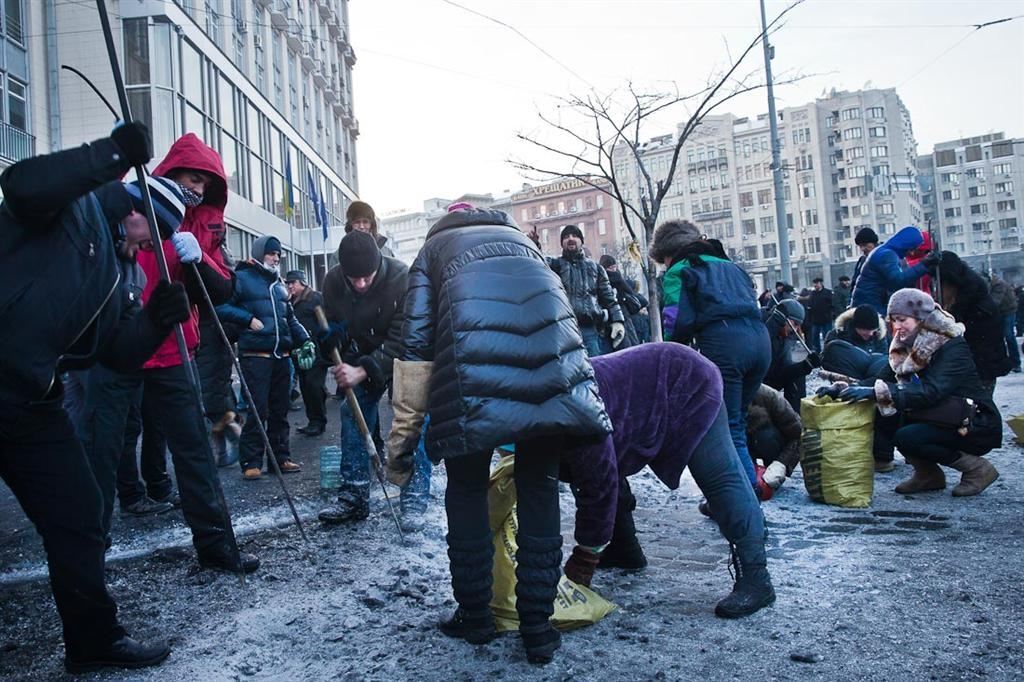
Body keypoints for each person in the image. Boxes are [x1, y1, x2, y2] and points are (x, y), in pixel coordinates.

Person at [385, 205, 612, 665]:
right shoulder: (526, 244)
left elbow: (413, 350)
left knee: (467, 491)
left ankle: (475, 617)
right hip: (550, 383)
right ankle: (537, 627)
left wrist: (401, 447)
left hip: (473, 387)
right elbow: (562, 317)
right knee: (540, 493)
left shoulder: (433, 252)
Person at [0, 124, 189, 672]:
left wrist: (155, 319)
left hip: (32, 401)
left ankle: (92, 640)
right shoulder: (72, 207)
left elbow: (116, 353)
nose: (155, 243)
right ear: (134, 207)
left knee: (81, 514)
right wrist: (110, 155)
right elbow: (21, 185)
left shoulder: (123, 273)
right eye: (155, 228)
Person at [77, 135, 259, 575]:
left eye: (204, 183)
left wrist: (203, 264)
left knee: (195, 452)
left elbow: (224, 289)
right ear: (171, 171)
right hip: (115, 350)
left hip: (175, 350)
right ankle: (86, 559)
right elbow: (95, 210)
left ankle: (216, 547)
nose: (196, 189)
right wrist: (116, 154)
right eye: (192, 178)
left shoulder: (204, 226)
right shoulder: (135, 203)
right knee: (98, 454)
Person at [556, 344, 774, 619]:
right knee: (594, 465)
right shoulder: (542, 405)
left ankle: (757, 578)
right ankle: (624, 550)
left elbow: (600, 485)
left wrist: (585, 556)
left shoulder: (574, 412)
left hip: (688, 380)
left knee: (720, 478)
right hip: (651, 383)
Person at [821, 288, 1002, 497]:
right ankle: (928, 474)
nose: (896, 327)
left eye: (902, 320)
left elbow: (931, 391)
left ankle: (977, 469)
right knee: (883, 414)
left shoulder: (951, 344)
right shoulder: (905, 344)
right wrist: (845, 388)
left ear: (921, 318)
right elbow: (881, 380)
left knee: (908, 436)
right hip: (941, 415)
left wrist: (875, 392)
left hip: (974, 422)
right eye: (893, 320)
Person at [315, 230, 430, 526]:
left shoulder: (402, 278)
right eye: (354, 279)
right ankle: (354, 495)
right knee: (351, 412)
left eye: (367, 277)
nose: (361, 284)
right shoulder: (333, 281)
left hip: (406, 355)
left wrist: (363, 370)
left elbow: (404, 338)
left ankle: (414, 495)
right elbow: (332, 323)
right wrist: (332, 341)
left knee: (414, 418)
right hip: (363, 353)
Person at [651, 220, 770, 491]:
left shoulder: (680, 270)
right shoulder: (730, 265)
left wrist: (671, 356)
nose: (665, 265)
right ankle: (747, 491)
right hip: (760, 343)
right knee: (737, 421)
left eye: (664, 260)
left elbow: (676, 321)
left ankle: (742, 501)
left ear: (669, 252)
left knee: (725, 428)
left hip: (725, 343)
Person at [217, 235, 315, 479]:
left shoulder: (280, 285)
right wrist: (248, 320)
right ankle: (251, 461)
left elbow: (289, 318)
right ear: (260, 253)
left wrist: (305, 339)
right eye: (272, 253)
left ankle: (280, 458)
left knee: (280, 411)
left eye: (278, 254)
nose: (276, 258)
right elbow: (221, 307)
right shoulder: (242, 278)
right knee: (258, 410)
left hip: (281, 356)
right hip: (256, 355)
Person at [936, 252, 1013, 396]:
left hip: (982, 363)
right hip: (983, 361)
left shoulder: (970, 302)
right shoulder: (972, 291)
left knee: (981, 401)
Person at [543, 225, 625, 356]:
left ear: (581, 240)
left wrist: (618, 321)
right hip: (563, 329)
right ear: (561, 243)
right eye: (566, 237)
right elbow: (534, 262)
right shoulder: (554, 265)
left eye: (574, 235)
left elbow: (609, 299)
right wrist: (534, 244)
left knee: (594, 367)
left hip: (589, 330)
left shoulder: (596, 268)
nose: (570, 239)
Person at [851, 225, 939, 316]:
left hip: (872, 304)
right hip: (872, 307)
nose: (911, 253)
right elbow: (898, 281)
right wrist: (924, 265)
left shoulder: (888, 253)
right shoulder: (886, 255)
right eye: (911, 249)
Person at [285, 269, 329, 436]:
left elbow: (326, 324)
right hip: (299, 353)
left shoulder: (315, 298)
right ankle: (313, 420)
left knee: (313, 386)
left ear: (302, 283)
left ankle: (318, 422)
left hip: (315, 352)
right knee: (306, 387)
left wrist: (323, 346)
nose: (290, 286)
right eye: (288, 283)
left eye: (293, 283)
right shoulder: (291, 301)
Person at [763, 299, 818, 414]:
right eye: (795, 324)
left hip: (771, 380)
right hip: (754, 383)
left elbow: (783, 371)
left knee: (798, 375)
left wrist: (805, 366)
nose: (796, 329)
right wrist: (773, 324)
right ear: (784, 319)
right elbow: (758, 345)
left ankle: (795, 418)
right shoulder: (762, 323)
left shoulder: (786, 338)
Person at [746, 384, 802, 496]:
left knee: (766, 437)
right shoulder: (720, 397)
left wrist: (781, 464)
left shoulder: (770, 396)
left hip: (769, 441)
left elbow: (799, 435)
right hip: (741, 443)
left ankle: (769, 471)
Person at [821, 304, 888, 380]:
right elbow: (826, 361)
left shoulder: (879, 337)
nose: (870, 334)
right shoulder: (837, 335)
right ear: (855, 326)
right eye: (866, 330)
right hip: (843, 380)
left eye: (873, 330)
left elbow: (883, 363)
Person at [599, 254, 643, 348]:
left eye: (614, 267)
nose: (614, 270)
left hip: (620, 317)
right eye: (611, 268)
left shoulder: (615, 279)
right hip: (619, 317)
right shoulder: (613, 279)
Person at [988, 272, 1022, 374]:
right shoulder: (994, 285)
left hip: (1008, 312)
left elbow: (995, 302)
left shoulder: (999, 285)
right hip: (1002, 312)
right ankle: (1007, 362)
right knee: (1002, 336)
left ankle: (1016, 362)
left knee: (1009, 335)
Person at [803, 277, 834, 352]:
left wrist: (831, 314)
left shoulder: (828, 292)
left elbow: (832, 304)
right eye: (814, 283)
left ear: (821, 283)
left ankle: (828, 351)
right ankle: (817, 352)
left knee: (826, 337)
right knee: (815, 337)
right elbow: (810, 304)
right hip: (815, 319)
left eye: (816, 283)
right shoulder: (813, 293)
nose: (815, 285)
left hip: (826, 319)